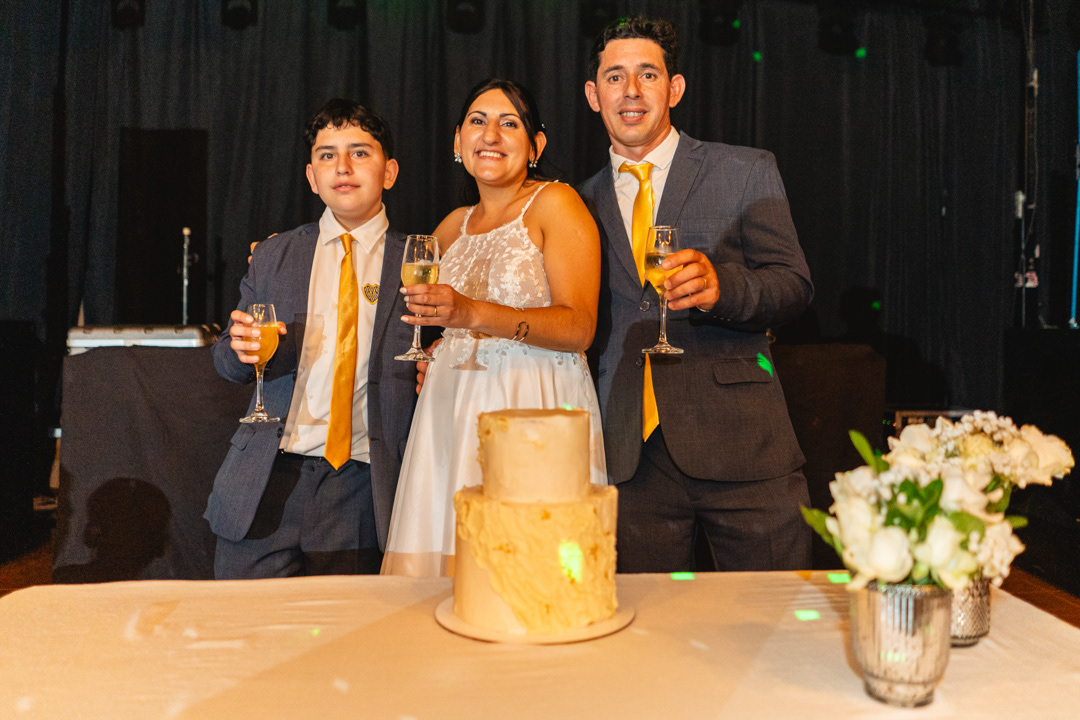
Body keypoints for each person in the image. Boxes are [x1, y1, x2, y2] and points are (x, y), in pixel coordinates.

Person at [577, 16, 814, 573]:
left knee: (773, 615)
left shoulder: (744, 170)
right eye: (614, 77)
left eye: (647, 75)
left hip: (742, 444)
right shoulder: (575, 203)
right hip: (627, 455)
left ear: (675, 88)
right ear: (593, 95)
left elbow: (794, 285)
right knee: (647, 624)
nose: (630, 91)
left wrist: (721, 288)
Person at [380, 78, 605, 577]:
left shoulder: (556, 203)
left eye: (510, 124)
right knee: (446, 572)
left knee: (528, 572)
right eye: (478, 122)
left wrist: (472, 315)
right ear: (457, 141)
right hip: (452, 411)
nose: (491, 135)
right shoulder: (450, 227)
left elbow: (579, 327)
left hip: (534, 405)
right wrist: (438, 353)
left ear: (536, 144)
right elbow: (415, 308)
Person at [205, 99, 419, 578]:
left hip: (364, 488)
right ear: (311, 177)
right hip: (267, 480)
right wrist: (239, 350)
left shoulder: (420, 261)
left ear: (389, 172)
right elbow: (227, 363)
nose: (342, 167)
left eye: (360, 153)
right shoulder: (274, 254)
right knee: (242, 622)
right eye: (327, 155)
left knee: (345, 627)